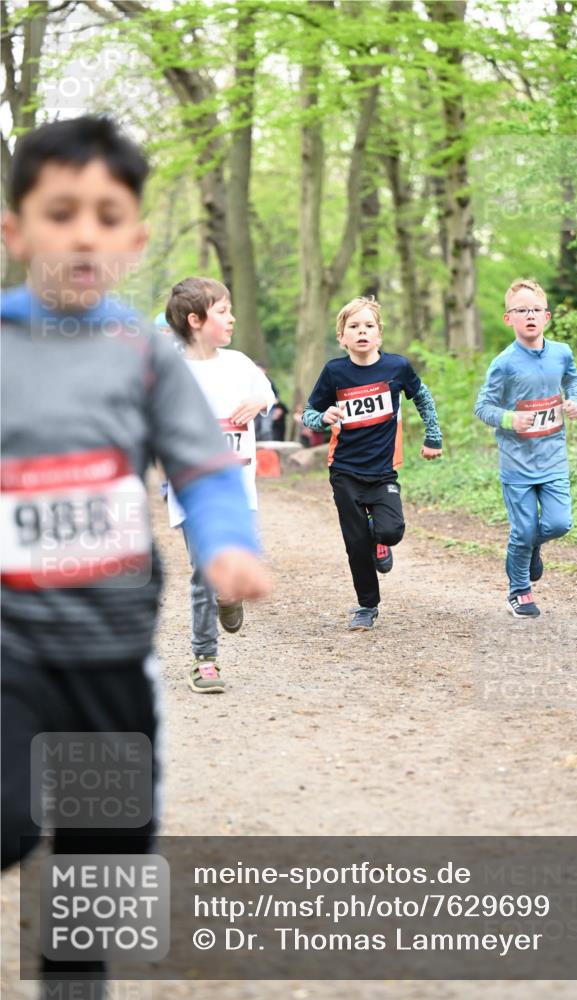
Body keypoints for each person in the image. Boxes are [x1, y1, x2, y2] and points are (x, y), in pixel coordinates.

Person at [0, 116, 271, 988]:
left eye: (107, 214)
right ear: (15, 230)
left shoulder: (145, 356)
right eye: (60, 210)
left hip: (111, 651)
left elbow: (204, 468)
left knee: (104, 856)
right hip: (10, 647)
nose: (84, 231)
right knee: (8, 821)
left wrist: (227, 547)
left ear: (135, 239)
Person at [302, 296, 442, 631]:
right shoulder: (334, 372)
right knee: (355, 544)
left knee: (391, 531)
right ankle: (367, 606)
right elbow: (308, 415)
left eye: (369, 326)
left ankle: (380, 541)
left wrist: (433, 435)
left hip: (382, 472)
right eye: (354, 327)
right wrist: (324, 417)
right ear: (342, 337)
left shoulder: (396, 368)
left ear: (379, 334)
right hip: (345, 470)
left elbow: (422, 397)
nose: (362, 332)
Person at [165, 277, 275, 692]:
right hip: (191, 491)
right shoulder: (170, 370)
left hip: (237, 490)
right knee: (203, 573)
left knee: (230, 576)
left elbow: (267, 392)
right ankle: (205, 658)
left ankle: (229, 599)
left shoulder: (239, 364)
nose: (232, 318)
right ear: (195, 320)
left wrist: (260, 402)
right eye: (223, 311)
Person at [474, 277, 577, 618]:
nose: (530, 315)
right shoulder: (503, 363)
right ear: (509, 319)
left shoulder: (562, 353)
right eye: (521, 310)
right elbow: (483, 407)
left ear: (547, 316)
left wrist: (575, 401)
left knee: (559, 524)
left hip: (553, 457)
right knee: (522, 529)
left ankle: (532, 546)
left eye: (536, 309)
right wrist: (509, 420)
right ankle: (519, 590)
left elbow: (573, 381)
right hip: (517, 462)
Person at [254, 362, 288, 442]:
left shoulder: (269, 382)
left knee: (266, 429)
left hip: (267, 409)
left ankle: (267, 447)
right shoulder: (252, 382)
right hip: (255, 408)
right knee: (255, 428)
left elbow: (276, 397)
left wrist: (276, 407)